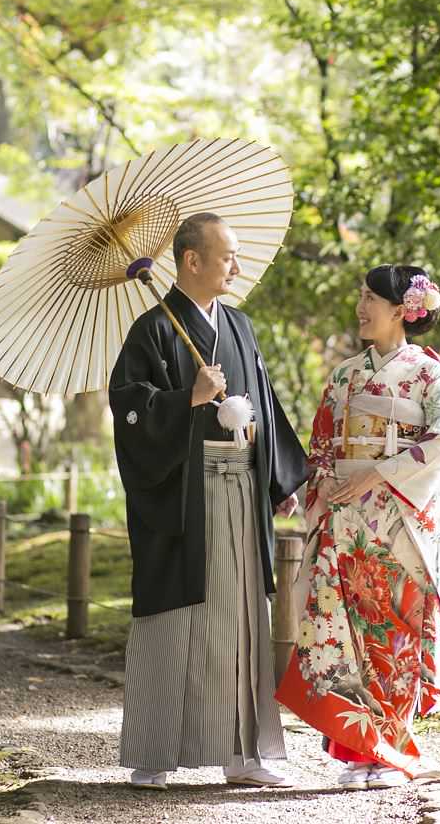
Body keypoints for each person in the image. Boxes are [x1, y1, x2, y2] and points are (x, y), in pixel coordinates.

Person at [110, 212, 308, 789]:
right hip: (182, 497)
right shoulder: (151, 331)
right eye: (227, 257)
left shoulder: (240, 326)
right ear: (191, 260)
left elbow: (265, 404)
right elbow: (129, 413)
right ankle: (155, 755)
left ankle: (243, 754)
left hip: (242, 489)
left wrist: (280, 479)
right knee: (175, 619)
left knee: (244, 618)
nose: (237, 268)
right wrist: (186, 400)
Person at [275, 264, 440, 790]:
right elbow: (323, 444)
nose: (361, 307)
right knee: (348, 636)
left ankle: (389, 753)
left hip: (401, 521)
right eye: (360, 296)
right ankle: (362, 753)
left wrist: (379, 473)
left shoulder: (429, 373)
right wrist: (316, 490)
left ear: (402, 310)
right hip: (348, 523)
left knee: (394, 636)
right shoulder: (346, 375)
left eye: (370, 298)